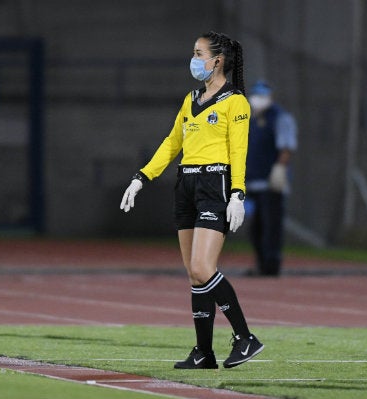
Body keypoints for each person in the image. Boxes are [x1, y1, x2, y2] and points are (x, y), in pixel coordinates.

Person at [119, 31, 264, 369]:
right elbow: (172, 142)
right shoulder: (192, 99)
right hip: (186, 184)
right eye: (194, 53)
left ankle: (245, 337)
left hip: (216, 184)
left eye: (199, 54)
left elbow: (238, 151)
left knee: (203, 267)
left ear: (218, 60)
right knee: (194, 275)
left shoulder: (235, 102)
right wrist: (142, 178)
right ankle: (204, 353)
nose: (194, 59)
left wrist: (238, 193)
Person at [245, 80, 298, 277]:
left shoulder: (280, 118)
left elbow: (286, 147)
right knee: (255, 227)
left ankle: (271, 265)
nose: (258, 100)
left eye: (262, 96)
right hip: (253, 181)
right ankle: (261, 263)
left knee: (271, 225)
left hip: (271, 182)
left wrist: (279, 168)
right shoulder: (249, 120)